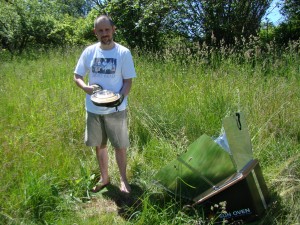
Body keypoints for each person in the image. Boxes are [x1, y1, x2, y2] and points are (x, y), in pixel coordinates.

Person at [73, 15, 136, 194]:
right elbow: (77, 75)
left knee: (120, 146)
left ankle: (124, 180)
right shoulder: (89, 51)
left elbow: (128, 81)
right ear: (95, 32)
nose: (104, 34)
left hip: (116, 109)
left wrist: (119, 99)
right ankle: (105, 178)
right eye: (100, 30)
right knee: (99, 146)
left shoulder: (123, 53)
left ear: (113, 29)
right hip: (93, 109)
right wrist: (85, 87)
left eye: (107, 29)